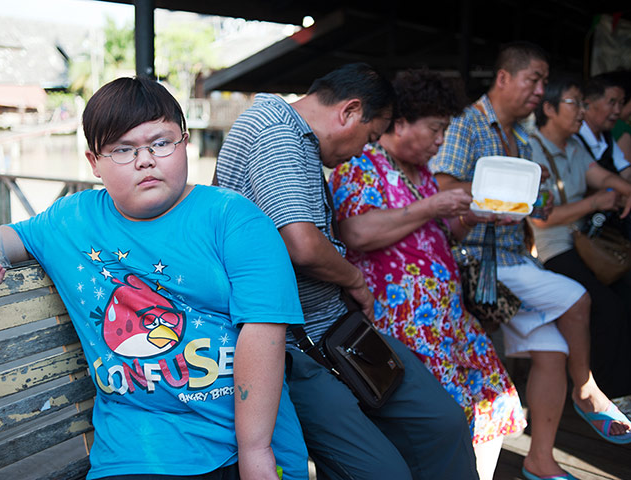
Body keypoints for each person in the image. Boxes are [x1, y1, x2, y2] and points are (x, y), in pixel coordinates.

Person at [0, 77, 309, 480]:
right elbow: (12, 238)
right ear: (93, 163)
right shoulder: (73, 219)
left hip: (247, 441)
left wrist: (255, 452)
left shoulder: (235, 219)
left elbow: (264, 333)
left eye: (161, 142)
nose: (145, 160)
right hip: (138, 450)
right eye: (123, 149)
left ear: (184, 142)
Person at [216, 63, 478, 480]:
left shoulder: (299, 139)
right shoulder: (274, 129)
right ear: (350, 111)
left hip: (338, 330)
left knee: (445, 423)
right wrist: (355, 279)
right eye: (370, 137)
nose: (361, 151)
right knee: (382, 472)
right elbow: (301, 242)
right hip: (292, 347)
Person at [429, 42, 631, 480]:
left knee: (552, 351)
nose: (540, 90)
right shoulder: (467, 125)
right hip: (476, 261)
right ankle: (588, 390)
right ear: (503, 78)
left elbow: (536, 207)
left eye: (544, 81)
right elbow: (442, 185)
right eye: (533, 79)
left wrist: (533, 201)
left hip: (512, 256)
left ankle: (540, 461)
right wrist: (494, 193)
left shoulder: (520, 136)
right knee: (577, 298)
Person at [328, 69, 527, 480]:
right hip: (402, 326)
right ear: (399, 123)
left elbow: (440, 234)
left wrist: (468, 218)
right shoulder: (361, 165)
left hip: (448, 320)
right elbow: (357, 231)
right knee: (448, 419)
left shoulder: (422, 176)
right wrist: (432, 207)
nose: (440, 142)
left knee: (495, 402)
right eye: (435, 129)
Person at [529, 75, 631, 400]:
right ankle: (602, 394)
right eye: (575, 103)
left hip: (582, 244)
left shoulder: (573, 146)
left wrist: (627, 191)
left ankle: (620, 386)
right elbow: (542, 221)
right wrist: (595, 202)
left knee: (626, 292)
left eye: (583, 104)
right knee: (608, 308)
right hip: (552, 249)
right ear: (549, 108)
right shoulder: (532, 150)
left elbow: (603, 177)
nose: (581, 112)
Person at [576, 74, 631, 180]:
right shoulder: (575, 137)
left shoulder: (606, 137)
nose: (617, 111)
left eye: (621, 103)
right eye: (612, 103)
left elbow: (626, 172)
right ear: (587, 105)